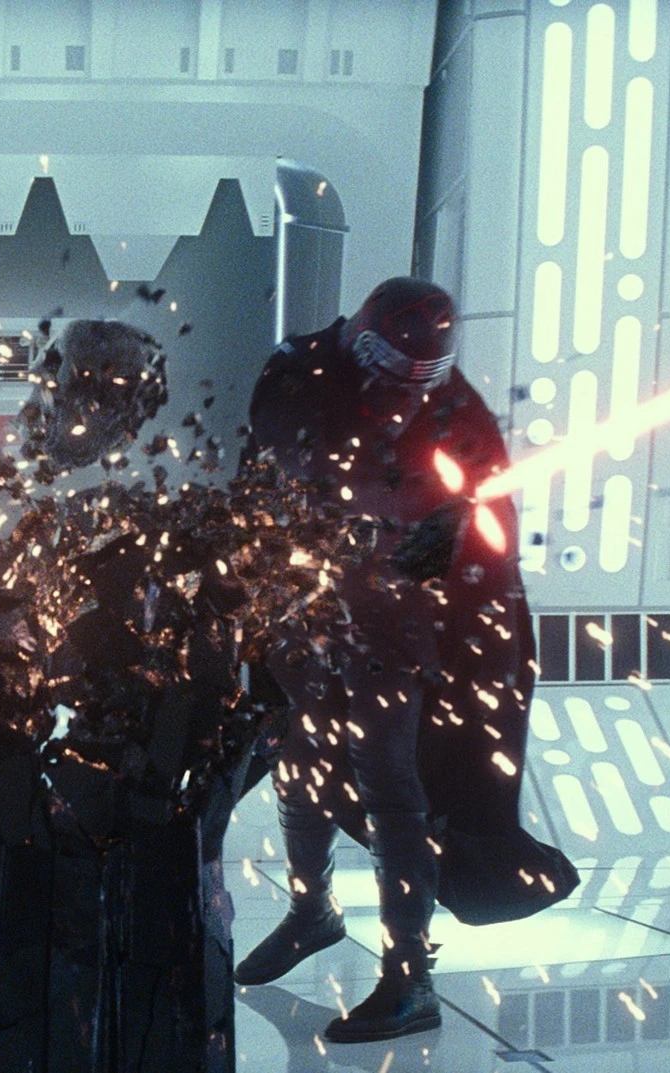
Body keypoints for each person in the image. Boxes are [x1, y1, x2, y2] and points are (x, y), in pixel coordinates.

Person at [236, 277, 567, 1043]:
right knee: (300, 760)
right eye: (394, 379)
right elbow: (268, 476)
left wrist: (425, 562)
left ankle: (409, 976)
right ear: (362, 344)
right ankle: (312, 910)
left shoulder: (455, 404)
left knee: (389, 779)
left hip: (396, 621)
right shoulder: (297, 370)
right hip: (302, 605)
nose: (405, 398)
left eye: (421, 382)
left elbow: (482, 522)